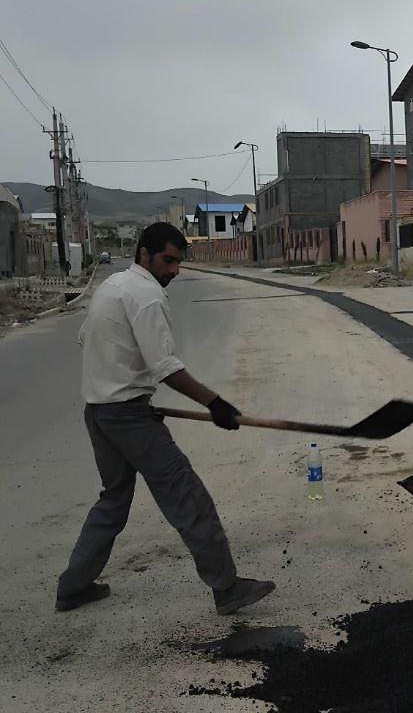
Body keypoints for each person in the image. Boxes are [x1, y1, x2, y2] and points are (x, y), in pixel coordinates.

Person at [56, 222, 277, 615]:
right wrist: (215, 403)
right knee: (188, 497)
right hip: (126, 417)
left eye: (178, 262)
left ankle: (73, 586)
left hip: (100, 413)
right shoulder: (147, 296)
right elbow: (165, 368)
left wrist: (128, 389)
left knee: (113, 500)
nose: (174, 270)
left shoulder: (114, 286)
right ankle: (227, 589)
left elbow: (87, 341)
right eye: (168, 260)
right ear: (144, 254)